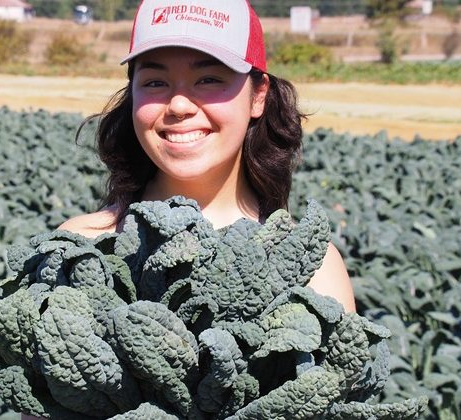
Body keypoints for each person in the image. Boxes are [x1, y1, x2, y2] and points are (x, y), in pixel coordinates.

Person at [58, 0, 356, 314]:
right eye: (155, 82)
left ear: (258, 96)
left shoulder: (316, 271)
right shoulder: (78, 247)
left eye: (209, 80)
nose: (179, 106)